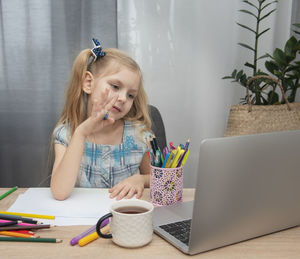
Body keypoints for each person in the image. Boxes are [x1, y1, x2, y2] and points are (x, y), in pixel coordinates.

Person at [50, 38, 152, 201]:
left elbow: (155, 178)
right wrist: (81, 133)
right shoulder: (66, 134)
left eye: (130, 95)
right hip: (82, 222)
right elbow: (59, 192)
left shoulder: (139, 135)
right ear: (88, 83)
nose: (123, 98)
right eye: (115, 86)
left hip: (125, 218)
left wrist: (139, 179)